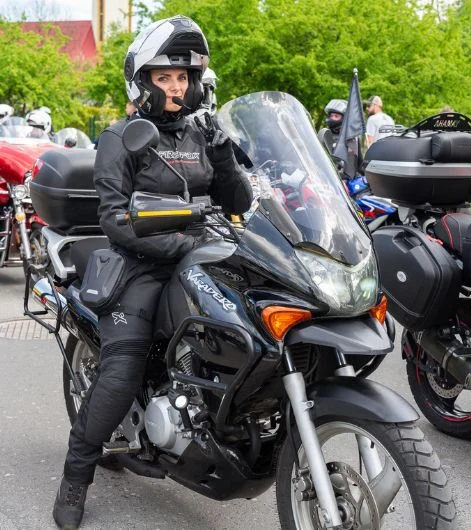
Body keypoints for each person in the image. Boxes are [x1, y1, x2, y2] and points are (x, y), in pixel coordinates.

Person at [52, 15, 253, 530]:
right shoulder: (120, 137)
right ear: (142, 82)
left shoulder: (199, 131)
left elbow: (238, 202)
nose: (176, 87)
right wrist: (181, 243)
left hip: (206, 257)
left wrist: (225, 151)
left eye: (183, 78)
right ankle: (76, 475)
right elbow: (116, 219)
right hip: (142, 265)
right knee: (122, 369)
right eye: (164, 78)